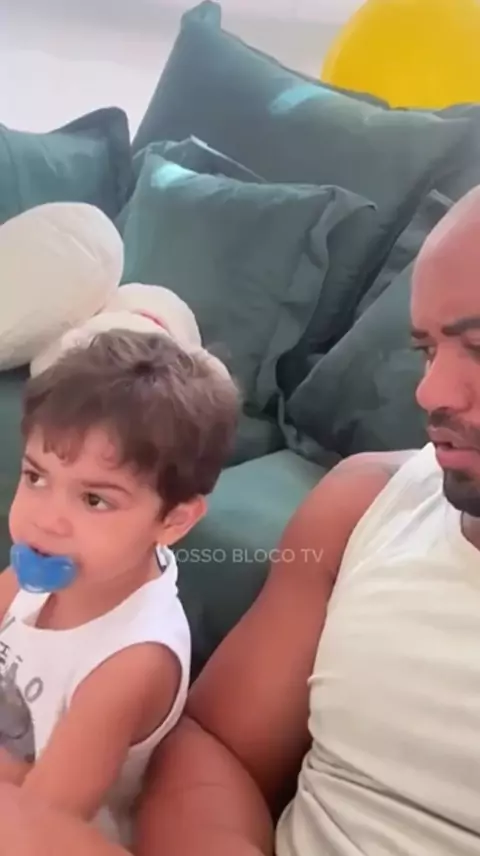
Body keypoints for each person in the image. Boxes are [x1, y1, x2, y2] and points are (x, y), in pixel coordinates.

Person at [3, 182, 480, 856]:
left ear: (176, 521)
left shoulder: (132, 658)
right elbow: (216, 748)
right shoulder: (365, 501)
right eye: (427, 350)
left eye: (479, 347)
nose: (428, 393)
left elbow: (43, 821)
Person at [0, 329, 239, 849]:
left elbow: (36, 829)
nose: (45, 519)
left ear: (174, 521)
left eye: (94, 500)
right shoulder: (42, 566)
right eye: (36, 477)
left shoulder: (132, 661)